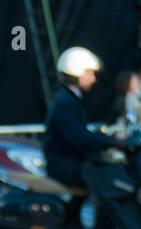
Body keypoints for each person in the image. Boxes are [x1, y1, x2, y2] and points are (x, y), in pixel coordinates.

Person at [42, 46, 130, 191]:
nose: (94, 79)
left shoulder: (68, 99)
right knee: (112, 181)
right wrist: (112, 142)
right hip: (67, 168)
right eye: (89, 73)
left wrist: (105, 140)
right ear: (76, 73)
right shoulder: (66, 102)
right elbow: (78, 137)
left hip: (69, 165)